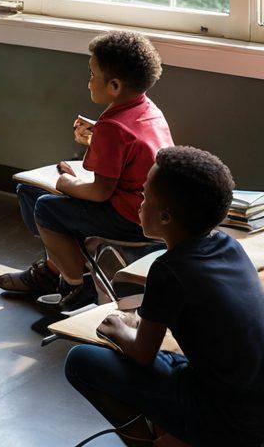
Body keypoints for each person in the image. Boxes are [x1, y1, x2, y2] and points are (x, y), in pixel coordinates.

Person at [65, 146, 264, 447]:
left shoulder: (169, 270)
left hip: (227, 420)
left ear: (166, 216)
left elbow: (142, 355)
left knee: (80, 361)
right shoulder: (229, 246)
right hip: (251, 401)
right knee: (168, 360)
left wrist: (118, 329)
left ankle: (148, 442)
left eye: (145, 197)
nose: (140, 204)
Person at [0, 31, 173, 313]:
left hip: (131, 219)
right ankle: (56, 267)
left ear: (114, 85)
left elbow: (100, 192)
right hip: (150, 211)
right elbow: (129, 150)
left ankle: (77, 284)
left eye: (92, 74)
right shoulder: (148, 109)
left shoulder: (113, 127)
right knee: (28, 191)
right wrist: (97, 139)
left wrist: (67, 183)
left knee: (45, 207)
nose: (88, 80)